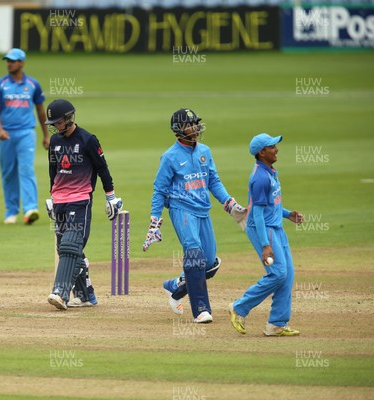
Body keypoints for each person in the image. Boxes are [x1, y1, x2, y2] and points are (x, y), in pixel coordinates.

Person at [143, 108, 247, 323]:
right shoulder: (170, 157)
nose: (196, 128)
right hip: (182, 210)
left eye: (196, 123)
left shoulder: (205, 151)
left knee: (209, 263)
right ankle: (201, 310)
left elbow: (213, 181)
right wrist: (154, 221)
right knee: (194, 256)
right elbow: (159, 190)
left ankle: (175, 287)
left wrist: (230, 204)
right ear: (178, 130)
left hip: (203, 211)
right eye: (190, 125)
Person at [45, 99, 123, 310]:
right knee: (67, 249)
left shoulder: (88, 140)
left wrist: (111, 197)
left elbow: (102, 169)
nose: (55, 126)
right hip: (60, 200)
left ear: (69, 118)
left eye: (58, 121)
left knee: (71, 245)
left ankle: (61, 293)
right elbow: (54, 170)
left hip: (80, 199)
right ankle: (86, 295)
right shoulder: (54, 142)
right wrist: (52, 197)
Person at [228, 133, 303, 336]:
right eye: (272, 146)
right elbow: (258, 214)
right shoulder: (260, 178)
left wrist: (288, 215)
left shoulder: (269, 172)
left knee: (287, 275)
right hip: (263, 229)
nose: (276, 149)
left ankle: (276, 324)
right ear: (262, 152)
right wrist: (265, 245)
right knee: (278, 273)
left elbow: (272, 204)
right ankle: (239, 307)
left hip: (275, 227)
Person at [0, 48, 50, 225]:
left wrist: (46, 135)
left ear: (21, 63)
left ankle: (31, 209)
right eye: (7, 60)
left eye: (13, 61)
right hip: (6, 134)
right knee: (8, 172)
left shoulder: (32, 84)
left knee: (26, 169)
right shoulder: (0, 85)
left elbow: (40, 110)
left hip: (26, 132)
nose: (9, 63)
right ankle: (11, 210)